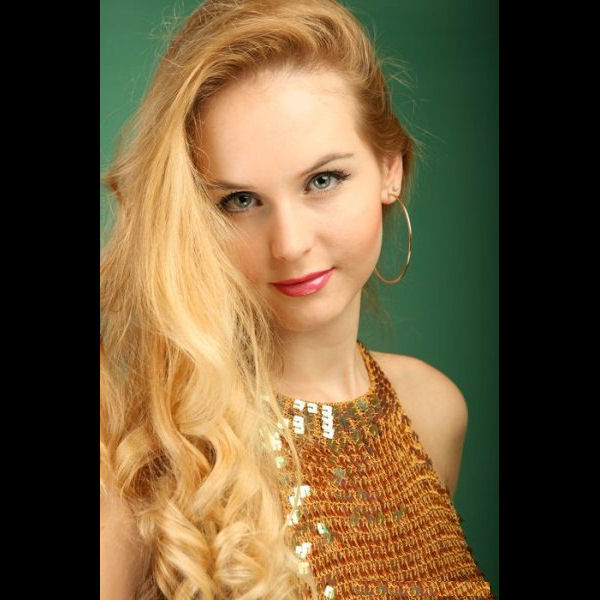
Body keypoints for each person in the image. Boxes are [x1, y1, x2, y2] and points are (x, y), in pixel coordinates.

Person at [100, 0, 494, 598]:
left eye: (322, 181)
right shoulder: (146, 462)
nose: (288, 244)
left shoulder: (433, 410)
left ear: (390, 168)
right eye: (240, 201)